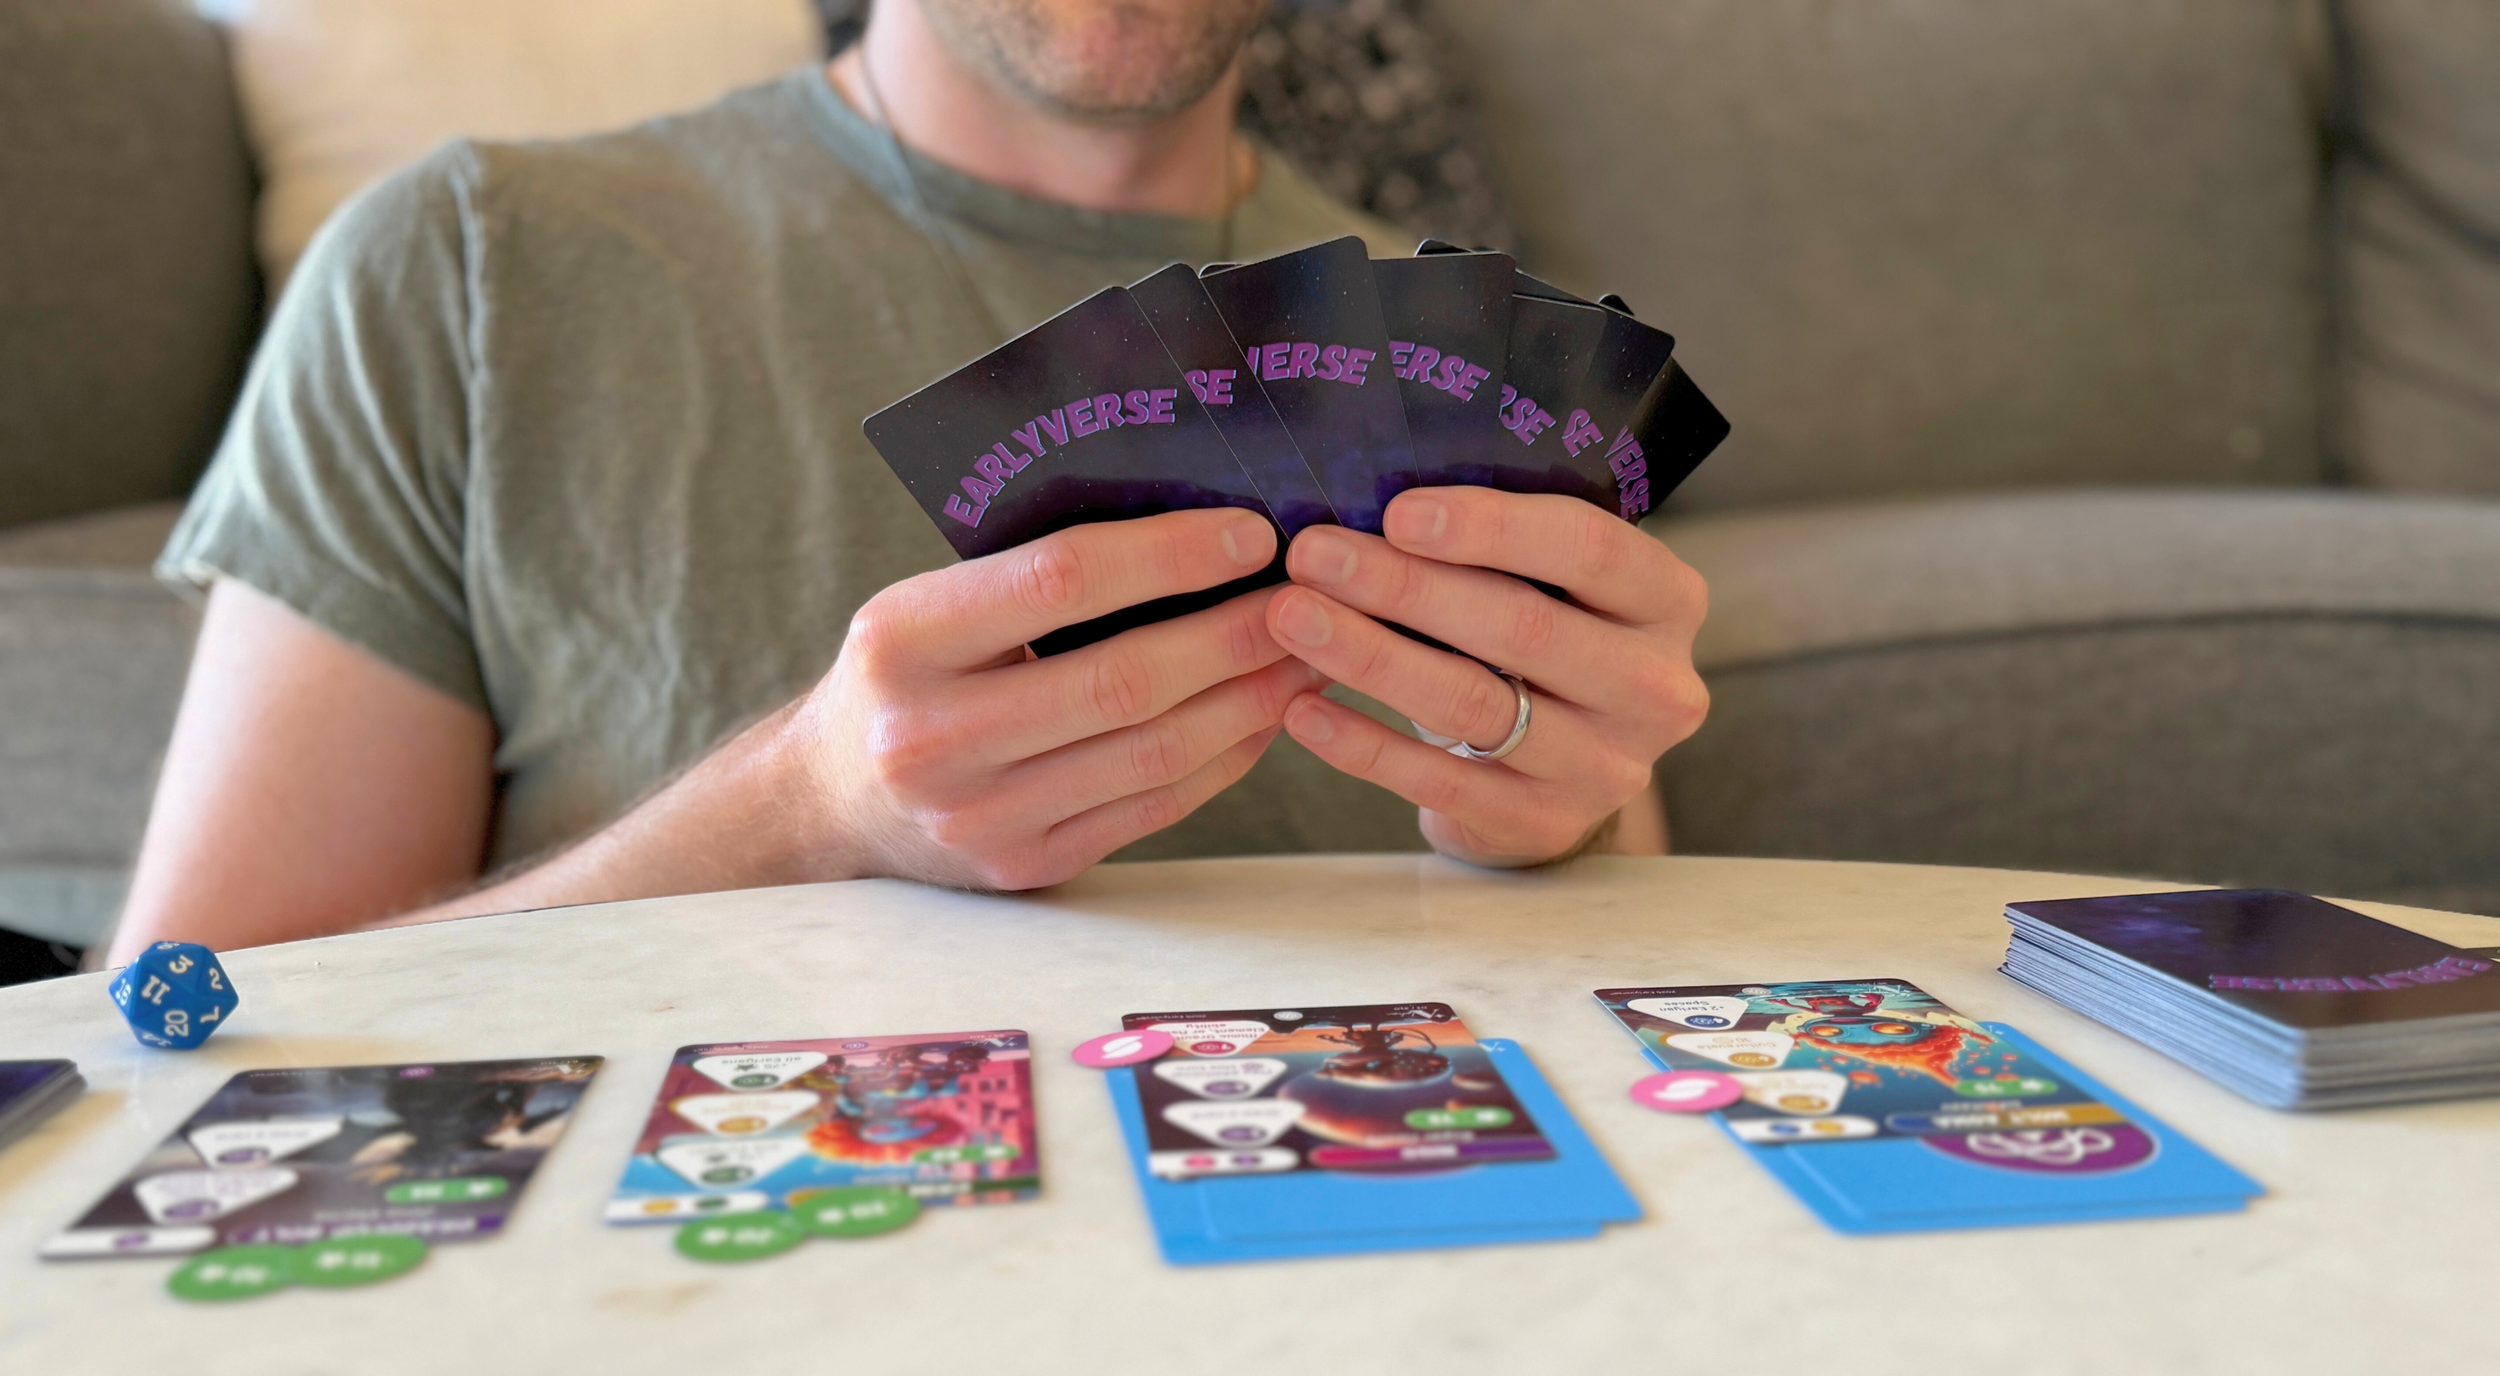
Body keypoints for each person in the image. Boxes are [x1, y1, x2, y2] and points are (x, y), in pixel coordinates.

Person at [108, 0, 1708, 968]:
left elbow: (1625, 960)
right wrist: (797, 810)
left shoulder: (1485, 359)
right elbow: (201, 1048)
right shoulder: (459, 270)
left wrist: (1563, 823)